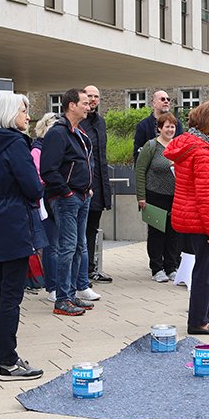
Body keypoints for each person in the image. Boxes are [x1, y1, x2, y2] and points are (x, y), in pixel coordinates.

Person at [0, 94, 47, 380]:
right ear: (9, 113)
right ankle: (9, 361)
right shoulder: (16, 143)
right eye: (23, 111)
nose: (27, 116)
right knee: (11, 295)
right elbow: (33, 187)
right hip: (16, 220)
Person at [164, 101, 209, 336]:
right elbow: (205, 194)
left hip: (191, 216)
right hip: (200, 220)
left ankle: (203, 315)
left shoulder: (190, 145)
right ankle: (197, 323)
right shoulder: (202, 152)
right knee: (205, 272)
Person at [40, 88, 94, 316]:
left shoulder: (77, 132)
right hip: (67, 199)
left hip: (81, 197)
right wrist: (66, 193)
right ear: (71, 105)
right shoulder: (58, 133)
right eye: (84, 102)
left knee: (78, 247)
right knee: (68, 248)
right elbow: (48, 169)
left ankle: (70, 295)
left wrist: (87, 190)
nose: (89, 106)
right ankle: (62, 299)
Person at [135, 113, 182, 283]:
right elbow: (140, 171)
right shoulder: (151, 146)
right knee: (157, 233)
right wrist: (141, 196)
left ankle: (171, 267)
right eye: (167, 126)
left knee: (173, 233)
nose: (170, 129)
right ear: (160, 128)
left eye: (173, 126)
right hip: (155, 195)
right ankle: (157, 268)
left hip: (175, 196)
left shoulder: (178, 145)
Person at [79, 85, 111, 289]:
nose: (92, 100)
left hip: (98, 184)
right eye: (89, 96)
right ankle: (80, 271)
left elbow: (102, 157)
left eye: (96, 96)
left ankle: (91, 268)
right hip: (81, 186)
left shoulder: (100, 122)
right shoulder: (78, 121)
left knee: (92, 229)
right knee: (78, 231)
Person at [31, 112, 58, 299]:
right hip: (45, 202)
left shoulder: (53, 149)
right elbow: (37, 178)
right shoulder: (37, 150)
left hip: (55, 199)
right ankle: (53, 286)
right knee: (52, 245)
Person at [133, 89, 181, 160]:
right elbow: (138, 154)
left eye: (168, 99)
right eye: (162, 99)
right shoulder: (143, 126)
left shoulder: (177, 124)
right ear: (154, 103)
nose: (166, 101)